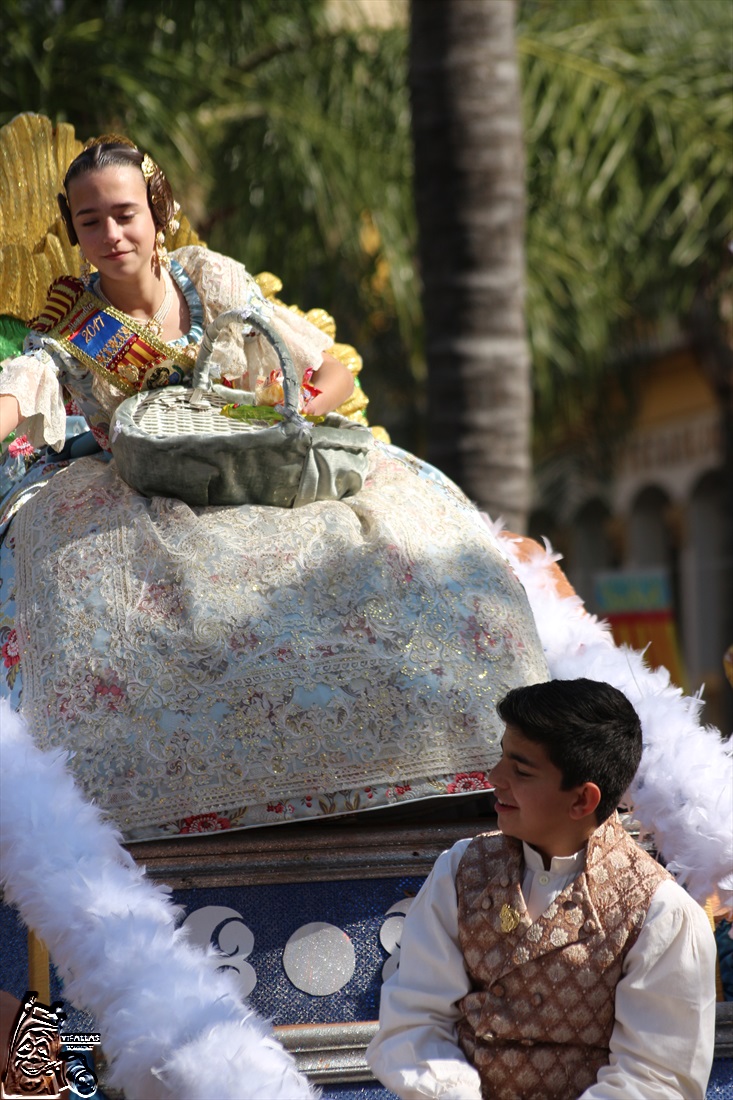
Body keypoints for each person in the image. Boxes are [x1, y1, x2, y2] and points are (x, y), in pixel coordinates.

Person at [0, 134, 550, 841]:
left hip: (262, 467)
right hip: (144, 487)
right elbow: (21, 396)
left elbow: (330, 370)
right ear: (72, 229)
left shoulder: (213, 280)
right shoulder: (73, 323)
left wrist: (291, 411)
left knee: (406, 541)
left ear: (156, 210)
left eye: (124, 213)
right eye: (90, 221)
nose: (111, 234)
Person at [366, 678, 717, 1100]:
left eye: (521, 770)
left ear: (583, 800)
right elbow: (414, 1020)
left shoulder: (662, 913)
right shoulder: (460, 871)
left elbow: (655, 1079)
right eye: (501, 757)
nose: (494, 778)